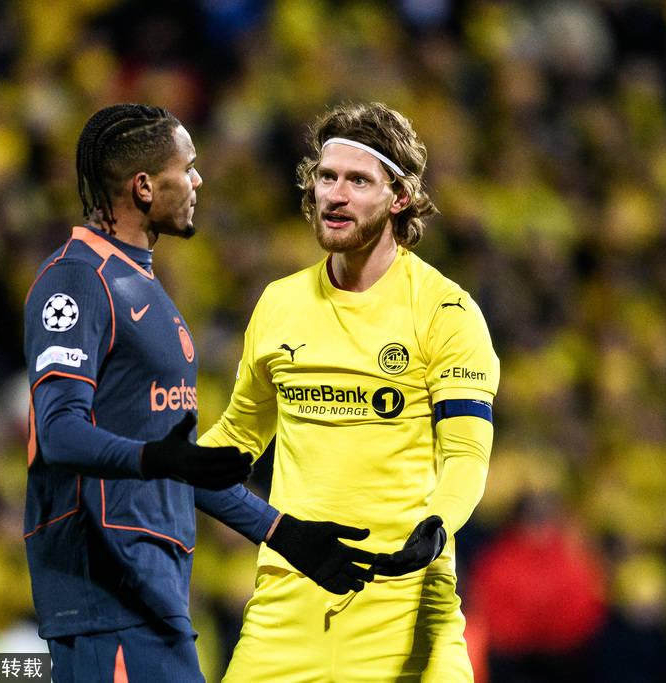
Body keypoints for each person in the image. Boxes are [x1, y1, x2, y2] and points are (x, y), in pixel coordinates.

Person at [23, 103, 379, 682]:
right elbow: (59, 432)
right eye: (186, 168)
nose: (198, 181)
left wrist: (284, 533)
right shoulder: (78, 279)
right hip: (106, 595)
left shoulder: (143, 286)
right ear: (144, 187)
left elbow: (182, 466)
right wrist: (160, 459)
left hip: (154, 595)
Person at [199, 101, 501, 681]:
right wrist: (155, 461)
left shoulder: (446, 312)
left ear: (400, 197)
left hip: (407, 607)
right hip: (287, 610)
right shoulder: (279, 304)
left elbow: (465, 455)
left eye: (358, 181)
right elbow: (236, 439)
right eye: (326, 177)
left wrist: (437, 523)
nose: (334, 196)